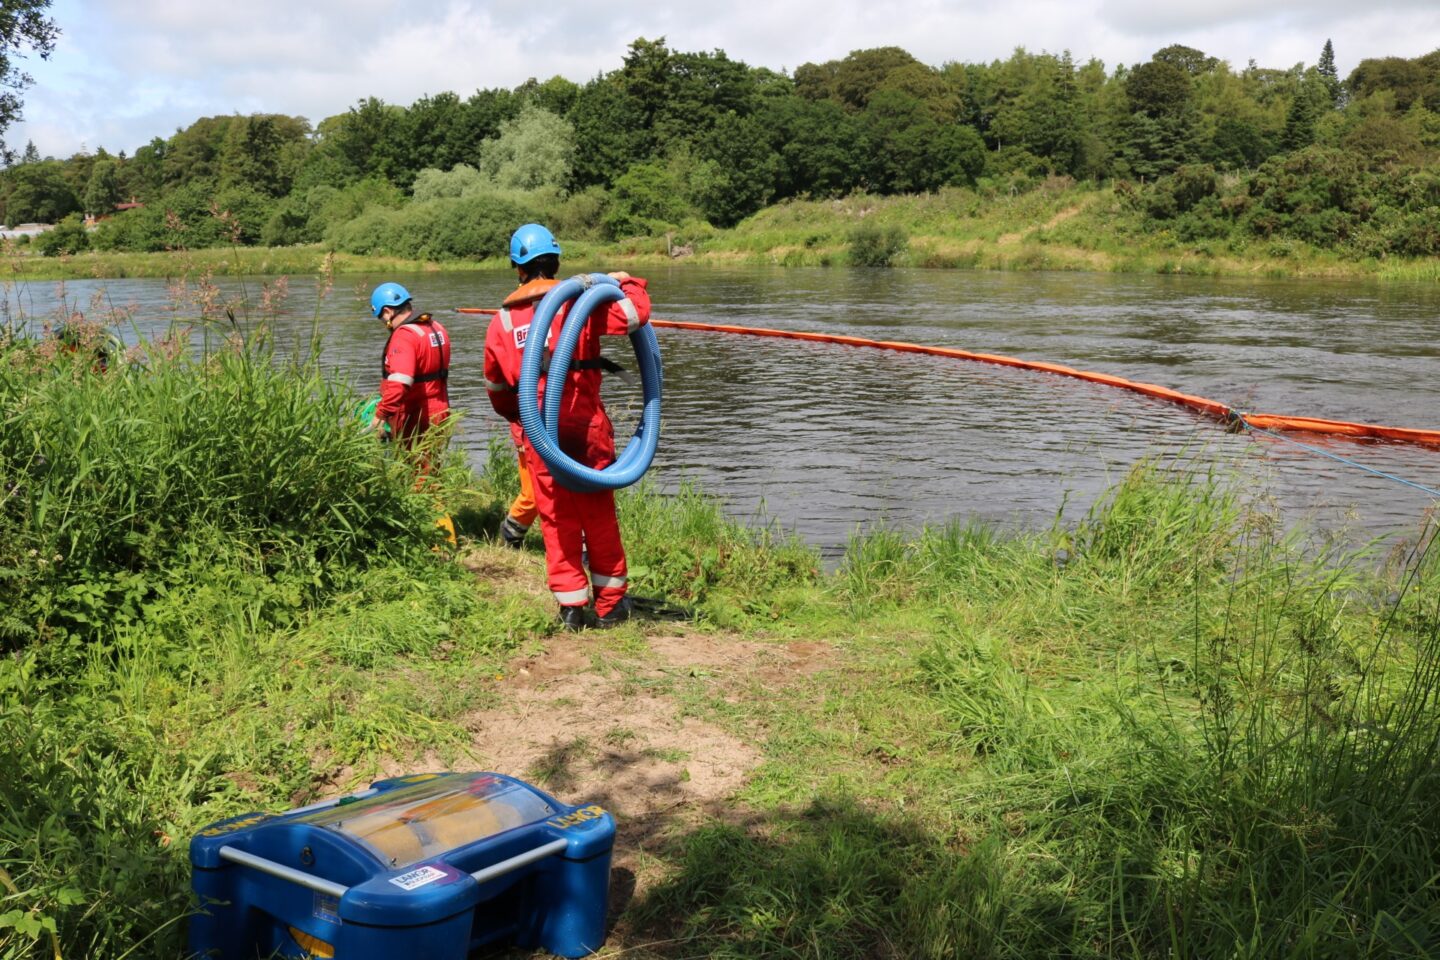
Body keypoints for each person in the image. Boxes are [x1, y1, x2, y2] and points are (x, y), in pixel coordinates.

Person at [483, 223, 651, 630]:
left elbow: (496, 387)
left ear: (517, 267)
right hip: (584, 421)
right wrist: (628, 282)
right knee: (598, 512)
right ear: (556, 262)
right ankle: (611, 605)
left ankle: (571, 608)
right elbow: (634, 315)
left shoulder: (502, 322)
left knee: (555, 516)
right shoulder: (581, 302)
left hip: (539, 429)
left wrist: (522, 419)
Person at [369, 281, 451, 446]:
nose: (384, 324)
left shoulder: (404, 336)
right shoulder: (435, 327)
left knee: (412, 469)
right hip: (440, 410)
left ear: (387, 311)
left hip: (415, 415)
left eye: (381, 318)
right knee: (432, 467)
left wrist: (380, 415)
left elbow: (400, 382)